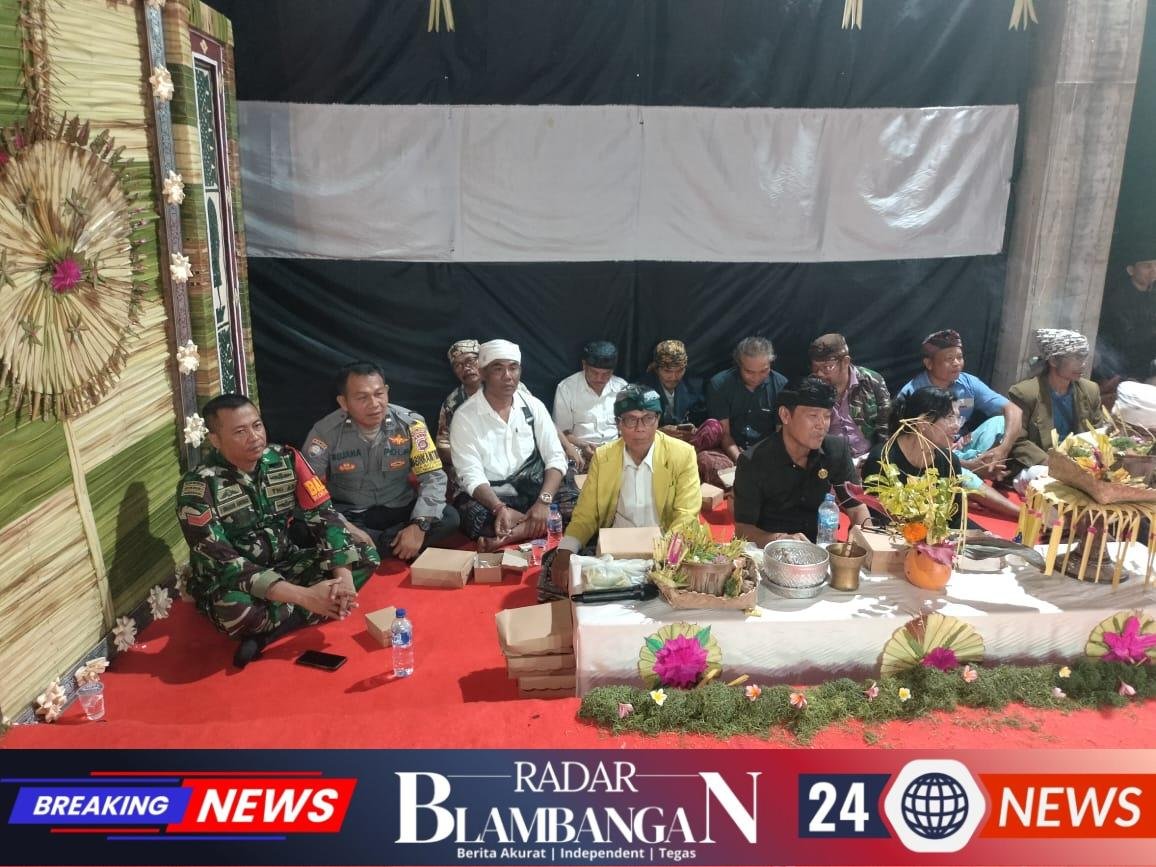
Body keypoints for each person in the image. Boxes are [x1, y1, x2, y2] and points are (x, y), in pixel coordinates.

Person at [176, 394, 378, 668]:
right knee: (235, 610)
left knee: (365, 555)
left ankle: (271, 632)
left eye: (257, 425)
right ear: (215, 439)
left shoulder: (286, 458)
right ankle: (308, 607)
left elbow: (324, 516)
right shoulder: (198, 487)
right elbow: (223, 563)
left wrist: (344, 581)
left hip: (286, 562)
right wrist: (305, 596)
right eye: (240, 432)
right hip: (236, 581)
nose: (254, 437)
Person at [548, 384, 703, 589]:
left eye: (648, 418)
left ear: (658, 420)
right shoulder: (604, 457)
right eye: (631, 420)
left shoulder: (682, 454)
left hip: (668, 551)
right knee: (561, 576)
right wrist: (565, 552)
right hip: (616, 554)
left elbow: (686, 516)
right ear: (618, 424)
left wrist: (667, 561)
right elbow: (585, 515)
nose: (640, 428)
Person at [303, 361, 459, 561]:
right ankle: (390, 545)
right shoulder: (325, 432)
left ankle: (366, 550)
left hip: (399, 507)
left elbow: (433, 477)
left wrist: (420, 525)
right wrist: (346, 527)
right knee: (303, 530)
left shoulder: (411, 424)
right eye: (362, 397)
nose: (374, 404)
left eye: (379, 394)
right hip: (351, 512)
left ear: (387, 391)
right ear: (343, 402)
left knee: (450, 517)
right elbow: (308, 488)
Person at [450, 339, 577, 550]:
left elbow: (555, 456)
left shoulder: (533, 406)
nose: (508, 376)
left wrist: (543, 502)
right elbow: (471, 475)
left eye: (513, 367)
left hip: (535, 490)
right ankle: (537, 524)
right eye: (498, 368)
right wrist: (499, 508)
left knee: (577, 507)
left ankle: (509, 535)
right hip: (493, 498)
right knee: (474, 517)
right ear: (482, 373)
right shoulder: (464, 417)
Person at [733, 377, 871, 544]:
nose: (822, 425)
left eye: (827, 416)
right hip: (772, 550)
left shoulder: (836, 450)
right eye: (813, 416)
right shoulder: (753, 461)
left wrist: (862, 541)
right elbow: (743, 529)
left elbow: (857, 508)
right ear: (785, 415)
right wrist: (782, 540)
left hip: (821, 547)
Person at [862, 387, 1020, 525]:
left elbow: (954, 521)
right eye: (950, 418)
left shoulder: (948, 461)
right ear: (923, 422)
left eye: (958, 418)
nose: (957, 426)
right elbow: (876, 520)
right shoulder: (882, 459)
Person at [436, 339, 584, 484]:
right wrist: (482, 460)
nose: (466, 368)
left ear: (482, 363)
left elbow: (542, 420)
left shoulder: (515, 388)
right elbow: (442, 447)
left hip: (524, 462)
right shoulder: (453, 404)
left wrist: (567, 447)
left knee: (563, 461)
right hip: (480, 468)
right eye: (458, 365)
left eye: (471, 361)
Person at [897, 329, 1022, 480]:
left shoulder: (968, 383)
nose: (956, 363)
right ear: (929, 363)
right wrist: (970, 466)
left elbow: (1013, 410)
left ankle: (986, 466)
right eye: (949, 359)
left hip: (962, 446)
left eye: (959, 357)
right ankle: (974, 471)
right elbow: (909, 442)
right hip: (931, 454)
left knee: (1000, 422)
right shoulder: (912, 392)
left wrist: (1003, 448)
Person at [1007, 329, 1107, 492]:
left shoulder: (1090, 390)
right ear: (1053, 360)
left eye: (1084, 358)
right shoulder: (1025, 393)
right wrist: (1053, 464)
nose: (1083, 364)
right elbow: (1018, 441)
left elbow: (1097, 434)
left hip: (1080, 466)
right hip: (1039, 465)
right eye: (1076, 358)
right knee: (1045, 480)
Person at [639, 338, 732, 485]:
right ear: (656, 369)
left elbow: (701, 416)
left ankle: (686, 456)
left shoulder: (693, 384)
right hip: (657, 441)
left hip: (689, 442)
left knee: (714, 427)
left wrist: (693, 429)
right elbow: (635, 425)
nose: (674, 377)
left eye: (679, 371)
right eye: (667, 371)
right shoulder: (642, 388)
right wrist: (659, 431)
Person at [808, 333, 892, 461]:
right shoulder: (810, 389)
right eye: (815, 367)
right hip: (831, 460)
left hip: (870, 455)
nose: (819, 374)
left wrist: (877, 458)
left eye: (827, 367)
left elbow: (886, 426)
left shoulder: (871, 381)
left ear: (845, 362)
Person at [706, 336, 788, 463]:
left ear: (771, 364)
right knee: (707, 461)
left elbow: (781, 433)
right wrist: (740, 460)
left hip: (768, 452)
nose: (756, 378)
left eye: (763, 371)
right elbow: (724, 434)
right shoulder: (719, 384)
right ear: (739, 364)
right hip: (729, 451)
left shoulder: (781, 385)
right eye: (749, 372)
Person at [553, 340, 627, 468]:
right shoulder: (567, 388)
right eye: (594, 372)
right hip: (580, 451)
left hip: (616, 451)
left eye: (606, 374)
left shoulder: (621, 387)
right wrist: (583, 445)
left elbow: (628, 428)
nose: (599, 378)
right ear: (584, 365)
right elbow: (561, 432)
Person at [1096, 247, 1156, 391]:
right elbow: (1125, 338)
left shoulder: (1152, 293)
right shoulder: (1118, 298)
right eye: (1147, 266)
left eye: (1155, 265)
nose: (1153, 270)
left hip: (1147, 358)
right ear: (1131, 270)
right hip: (1119, 361)